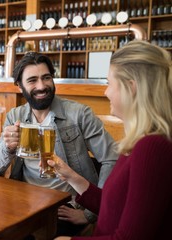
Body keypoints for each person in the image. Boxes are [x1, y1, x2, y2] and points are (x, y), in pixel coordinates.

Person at [50, 40, 172, 240]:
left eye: (109, 83)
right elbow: (114, 207)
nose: (106, 92)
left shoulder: (152, 147)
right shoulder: (141, 141)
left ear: (131, 87)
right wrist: (71, 175)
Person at [0, 52, 118, 236]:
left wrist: (90, 214)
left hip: (65, 204)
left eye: (46, 77)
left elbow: (111, 159)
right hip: (23, 199)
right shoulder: (15, 116)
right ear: (19, 86)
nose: (41, 86)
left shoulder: (79, 114)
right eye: (32, 80)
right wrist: (7, 147)